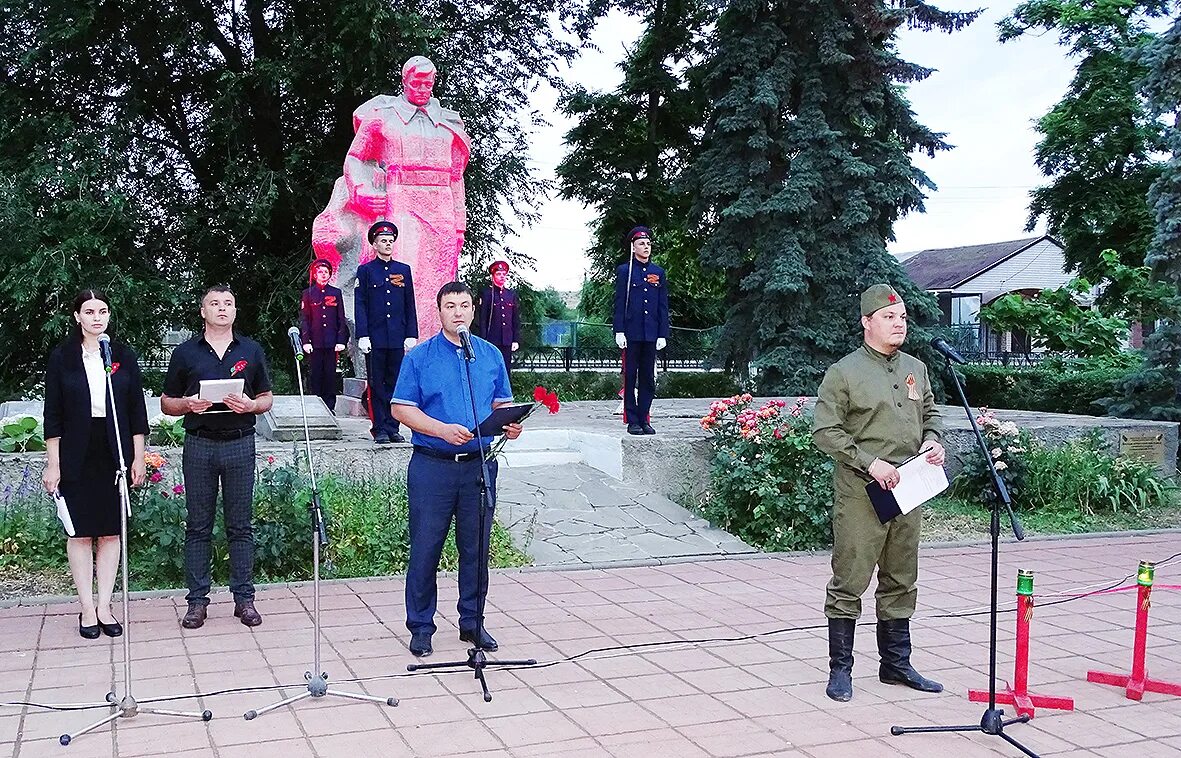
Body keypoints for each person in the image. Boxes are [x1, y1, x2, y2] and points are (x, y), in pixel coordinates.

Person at [812, 283, 946, 702]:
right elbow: (824, 431)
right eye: (889, 317)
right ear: (867, 322)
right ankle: (841, 670)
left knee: (902, 577)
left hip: (908, 488)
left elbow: (931, 412)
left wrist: (933, 438)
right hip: (862, 491)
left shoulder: (916, 368)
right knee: (850, 577)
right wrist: (870, 462)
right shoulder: (844, 372)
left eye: (903, 316)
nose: (899, 323)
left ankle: (895, 664)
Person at [391, 282, 522, 657]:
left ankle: (473, 622)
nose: (459, 312)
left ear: (474, 309)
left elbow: (501, 404)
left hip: (479, 466)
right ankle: (420, 626)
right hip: (433, 467)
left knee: (476, 548)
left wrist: (511, 425)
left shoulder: (490, 354)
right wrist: (440, 430)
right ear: (439, 311)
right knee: (425, 548)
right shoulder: (420, 357)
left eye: (465, 305)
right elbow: (401, 408)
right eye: (451, 306)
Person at [311, 54, 470, 339]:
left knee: (441, 279)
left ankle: (439, 347)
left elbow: (456, 176)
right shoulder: (383, 117)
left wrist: (460, 224)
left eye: (428, 83)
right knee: (404, 273)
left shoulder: (448, 121)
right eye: (417, 82)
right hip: (402, 199)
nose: (422, 89)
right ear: (405, 81)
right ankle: (403, 345)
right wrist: (361, 191)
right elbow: (355, 158)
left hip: (442, 202)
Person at [161, 285, 274, 629]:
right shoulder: (185, 353)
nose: (222, 308)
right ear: (203, 311)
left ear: (235, 311)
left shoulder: (251, 350)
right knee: (198, 526)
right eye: (214, 303)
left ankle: (245, 600)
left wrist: (253, 405)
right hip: (199, 443)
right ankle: (197, 602)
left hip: (240, 441)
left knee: (240, 525)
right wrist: (187, 404)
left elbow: (267, 397)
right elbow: (167, 403)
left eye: (228, 303)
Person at [42, 290, 148, 639]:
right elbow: (53, 415)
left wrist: (138, 456)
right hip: (75, 450)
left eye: (103, 311)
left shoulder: (120, 355)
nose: (97, 318)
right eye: (89, 312)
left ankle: (105, 604)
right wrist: (52, 464)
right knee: (81, 531)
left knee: (110, 529)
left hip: (112, 447)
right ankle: (86, 606)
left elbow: (136, 410)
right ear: (77, 317)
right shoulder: (62, 358)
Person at [356, 220, 418, 444]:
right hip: (375, 337)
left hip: (397, 337)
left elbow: (409, 303)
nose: (388, 244)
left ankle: (393, 427)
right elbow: (360, 304)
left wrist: (411, 333)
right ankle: (379, 427)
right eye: (383, 241)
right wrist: (362, 334)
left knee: (396, 383)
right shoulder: (365, 271)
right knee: (376, 384)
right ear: (374, 244)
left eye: (391, 241)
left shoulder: (403, 270)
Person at [613, 226, 669, 435]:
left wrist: (663, 333)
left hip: (651, 333)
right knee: (630, 377)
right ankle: (632, 420)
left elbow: (662, 305)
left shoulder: (658, 272)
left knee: (648, 378)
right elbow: (619, 303)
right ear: (633, 247)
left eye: (648, 244)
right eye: (641, 244)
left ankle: (644, 417)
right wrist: (619, 330)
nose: (646, 247)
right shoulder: (625, 271)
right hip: (631, 333)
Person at [299, 258, 349, 412]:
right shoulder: (308, 294)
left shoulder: (335, 293)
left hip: (331, 342)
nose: (323, 275)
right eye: (320, 272)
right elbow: (304, 319)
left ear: (329, 275)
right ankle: (315, 405)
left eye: (326, 272)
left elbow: (341, 317)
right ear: (314, 275)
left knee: (330, 375)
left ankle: (329, 406)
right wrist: (306, 341)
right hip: (315, 342)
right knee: (315, 374)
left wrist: (341, 339)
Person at [477, 259, 520, 377]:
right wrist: (483, 339)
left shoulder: (510, 295)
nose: (502, 277)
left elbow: (515, 319)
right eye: (498, 274)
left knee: (506, 369)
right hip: (492, 339)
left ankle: (506, 394)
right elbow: (482, 319)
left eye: (503, 274)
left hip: (506, 340)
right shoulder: (487, 294)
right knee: (491, 368)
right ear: (493, 276)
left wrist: (515, 339)